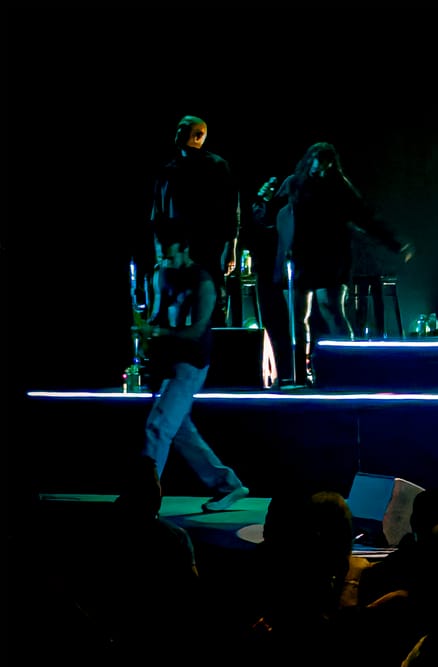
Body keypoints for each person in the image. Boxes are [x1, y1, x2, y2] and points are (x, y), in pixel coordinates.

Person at [253, 142, 412, 385]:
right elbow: (269, 216)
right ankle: (301, 371)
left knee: (333, 310)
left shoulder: (339, 187)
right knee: (299, 318)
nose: (321, 171)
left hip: (330, 258)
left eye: (326, 166)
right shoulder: (294, 183)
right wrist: (262, 202)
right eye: (317, 165)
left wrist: (394, 242)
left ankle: (347, 365)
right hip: (300, 258)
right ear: (310, 162)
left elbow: (365, 216)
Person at [138, 217, 249, 513]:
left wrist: (158, 333)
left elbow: (196, 331)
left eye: (171, 253)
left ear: (184, 248)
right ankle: (228, 485)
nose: (166, 259)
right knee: (181, 431)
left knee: (158, 427)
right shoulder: (160, 272)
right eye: (161, 253)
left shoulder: (202, 280)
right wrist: (150, 338)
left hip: (191, 364)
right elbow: (158, 315)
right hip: (168, 364)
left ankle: (145, 499)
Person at [149, 115, 238, 326]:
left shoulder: (216, 166)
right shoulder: (168, 169)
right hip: (176, 250)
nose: (177, 133)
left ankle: (215, 351)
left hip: (207, 247)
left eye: (183, 129)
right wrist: (160, 249)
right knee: (177, 304)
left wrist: (230, 247)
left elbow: (230, 209)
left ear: (198, 136)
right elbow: (158, 213)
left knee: (212, 302)